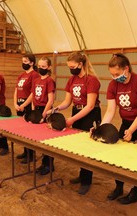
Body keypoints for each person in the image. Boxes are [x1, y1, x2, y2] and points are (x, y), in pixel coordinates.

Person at [101, 53, 137, 205]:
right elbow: (110, 110)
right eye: (112, 74)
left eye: (117, 74)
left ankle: (135, 191)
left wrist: (132, 131)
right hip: (127, 122)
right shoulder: (113, 85)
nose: (115, 77)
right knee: (118, 155)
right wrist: (101, 128)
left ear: (126, 69)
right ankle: (118, 187)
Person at [50, 51, 101, 195]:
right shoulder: (71, 79)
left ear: (80, 64)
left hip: (90, 114)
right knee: (79, 146)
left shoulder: (91, 80)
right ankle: (82, 174)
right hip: (76, 112)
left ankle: (87, 180)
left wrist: (72, 120)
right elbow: (67, 101)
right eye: (69, 67)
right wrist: (56, 108)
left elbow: (90, 105)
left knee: (87, 148)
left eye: (72, 66)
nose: (71, 69)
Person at [25, 56, 56, 175]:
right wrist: (33, 112)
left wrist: (43, 114)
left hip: (45, 110)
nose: (41, 68)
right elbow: (33, 96)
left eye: (44, 66)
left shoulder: (49, 81)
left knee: (47, 139)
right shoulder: (36, 80)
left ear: (48, 67)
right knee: (37, 137)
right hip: (36, 110)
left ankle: (48, 164)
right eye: (40, 66)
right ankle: (43, 163)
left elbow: (50, 100)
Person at [14, 54, 39, 164]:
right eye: (23, 61)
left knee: (29, 130)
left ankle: (31, 154)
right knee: (22, 130)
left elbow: (33, 92)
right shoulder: (21, 75)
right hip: (19, 104)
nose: (23, 63)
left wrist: (24, 104)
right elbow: (16, 90)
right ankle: (25, 151)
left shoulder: (34, 75)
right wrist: (15, 103)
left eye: (26, 61)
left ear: (32, 63)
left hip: (27, 104)